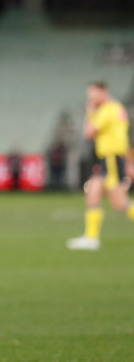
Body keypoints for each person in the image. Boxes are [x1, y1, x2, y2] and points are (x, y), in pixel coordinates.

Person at [67, 81, 133, 250]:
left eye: (93, 94)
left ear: (104, 92)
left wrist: (90, 111)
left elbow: (89, 133)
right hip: (112, 157)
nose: (91, 98)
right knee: (94, 191)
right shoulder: (117, 109)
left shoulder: (107, 110)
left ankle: (91, 238)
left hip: (111, 157)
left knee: (119, 202)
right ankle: (91, 238)